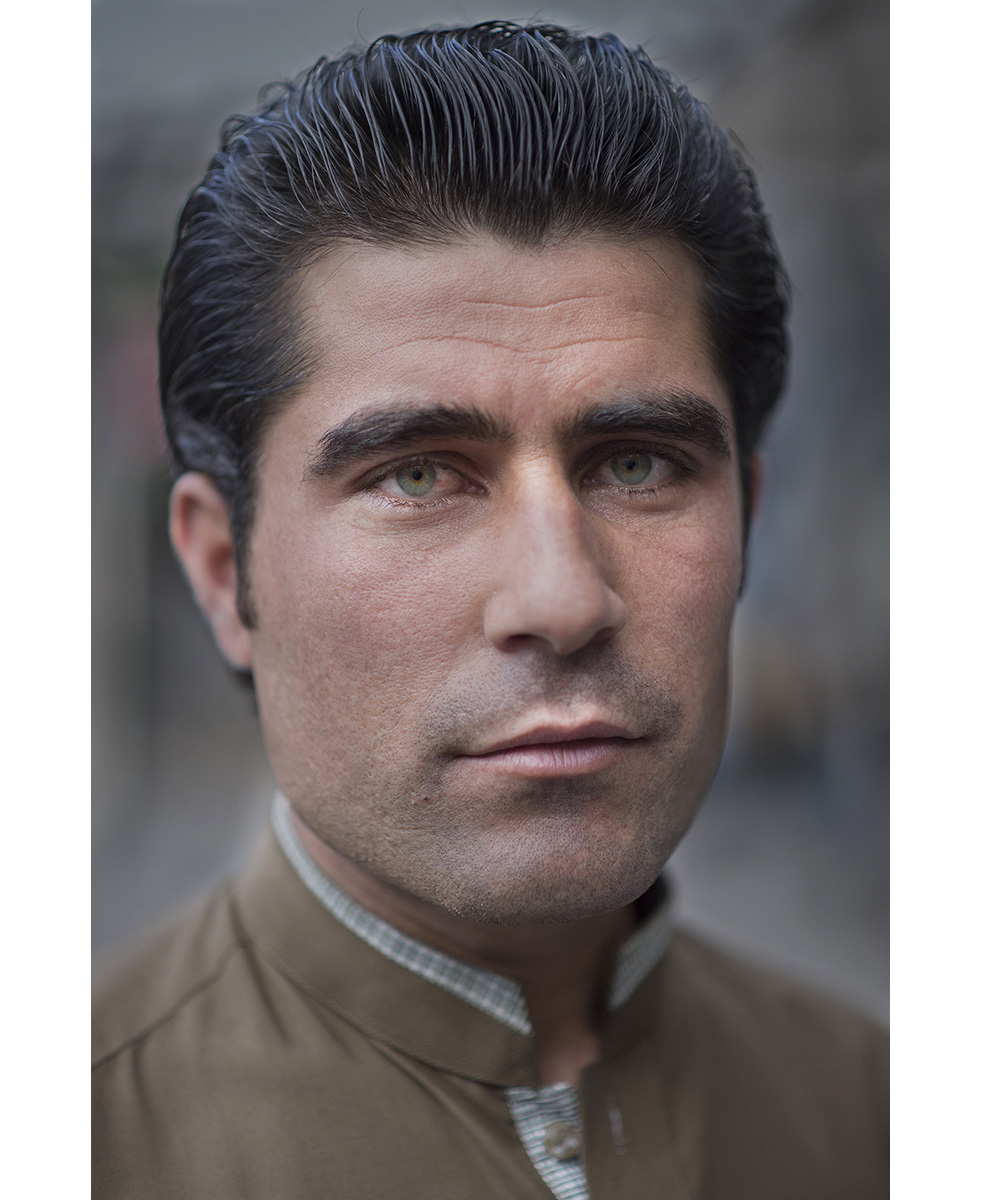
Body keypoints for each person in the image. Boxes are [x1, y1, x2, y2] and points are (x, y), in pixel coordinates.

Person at [92, 22, 887, 1199]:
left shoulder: (878, 1116)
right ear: (223, 570)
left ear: (746, 527)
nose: (561, 597)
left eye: (638, 465)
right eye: (416, 476)